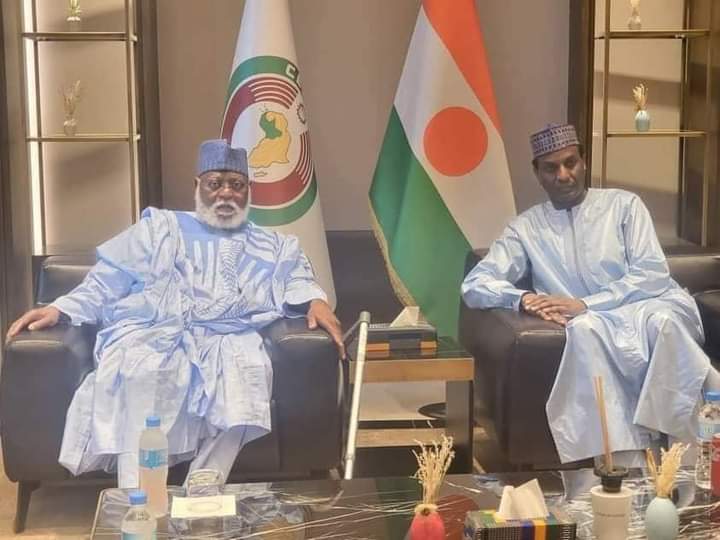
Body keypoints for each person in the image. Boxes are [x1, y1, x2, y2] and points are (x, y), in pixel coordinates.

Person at [6, 139, 344, 487]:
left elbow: (297, 278)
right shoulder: (159, 230)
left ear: (249, 191)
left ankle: (204, 486)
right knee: (143, 370)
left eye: (236, 184)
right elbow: (106, 281)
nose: (226, 193)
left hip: (230, 335)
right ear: (197, 186)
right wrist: (60, 308)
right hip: (154, 330)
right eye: (215, 183)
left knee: (250, 375)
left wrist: (314, 301)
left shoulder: (273, 245)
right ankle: (140, 494)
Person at [461, 123, 720, 466]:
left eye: (570, 163)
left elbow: (652, 274)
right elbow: (475, 284)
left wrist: (586, 303)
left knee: (663, 324)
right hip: (591, 321)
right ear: (537, 173)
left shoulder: (623, 206)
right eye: (551, 168)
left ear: (584, 162)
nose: (563, 175)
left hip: (648, 305)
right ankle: (620, 464)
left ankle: (684, 454)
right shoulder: (525, 229)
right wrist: (520, 298)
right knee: (584, 331)